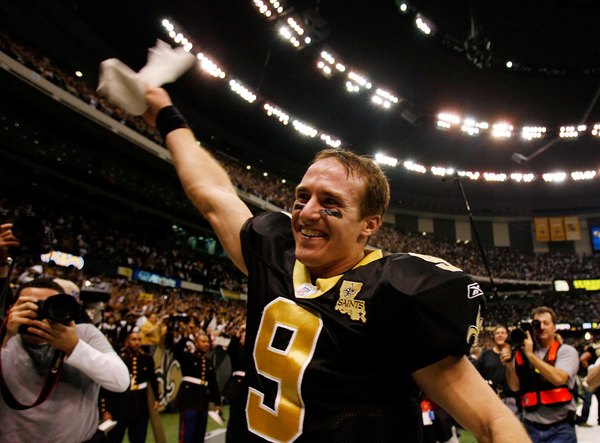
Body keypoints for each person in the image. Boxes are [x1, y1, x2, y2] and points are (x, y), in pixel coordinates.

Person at [141, 86, 529, 442]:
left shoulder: (395, 293)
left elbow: (492, 421)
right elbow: (211, 192)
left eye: (330, 203)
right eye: (302, 196)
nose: (307, 212)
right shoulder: (273, 253)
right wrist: (165, 113)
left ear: (369, 225)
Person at [0, 277, 129, 442]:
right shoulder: (5, 336)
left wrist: (74, 347)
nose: (40, 314)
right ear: (12, 309)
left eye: (48, 306)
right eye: (31, 306)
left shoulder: (84, 334)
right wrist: (5, 337)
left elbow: (121, 381)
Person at [501, 306, 579, 442]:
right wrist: (509, 365)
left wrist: (530, 355)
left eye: (546, 323)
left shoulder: (566, 351)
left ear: (554, 327)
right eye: (537, 323)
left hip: (561, 428)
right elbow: (514, 387)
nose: (542, 327)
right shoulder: (521, 354)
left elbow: (559, 379)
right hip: (530, 426)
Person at [100, 330, 160, 443]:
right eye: (133, 339)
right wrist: (105, 410)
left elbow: (153, 379)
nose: (137, 342)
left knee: (139, 438)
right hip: (120, 406)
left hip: (140, 406)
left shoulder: (146, 359)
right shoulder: (118, 359)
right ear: (127, 342)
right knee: (115, 438)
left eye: (139, 339)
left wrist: (156, 398)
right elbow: (107, 386)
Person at [172, 332, 223, 443]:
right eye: (203, 341)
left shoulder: (208, 362)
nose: (206, 344)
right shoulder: (187, 357)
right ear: (196, 343)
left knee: (200, 435)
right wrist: (185, 337)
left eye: (207, 342)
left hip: (202, 401)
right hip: (188, 400)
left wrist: (217, 403)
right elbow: (176, 350)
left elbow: (213, 384)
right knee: (187, 435)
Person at [475, 325, 519, 415]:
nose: (500, 335)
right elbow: (476, 375)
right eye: (497, 333)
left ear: (507, 336)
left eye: (503, 333)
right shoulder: (486, 354)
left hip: (512, 400)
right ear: (494, 337)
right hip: (491, 399)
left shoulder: (516, 355)